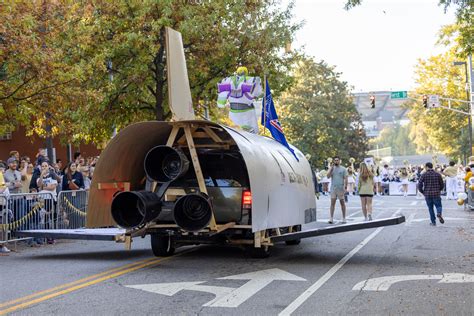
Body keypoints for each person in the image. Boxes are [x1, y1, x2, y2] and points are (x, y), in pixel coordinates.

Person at [327, 156, 348, 224]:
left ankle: (344, 218)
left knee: (342, 203)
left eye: (337, 160)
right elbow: (328, 176)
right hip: (333, 188)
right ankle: (331, 218)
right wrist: (331, 169)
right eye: (335, 160)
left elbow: (346, 178)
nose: (336, 161)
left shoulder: (343, 169)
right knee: (332, 203)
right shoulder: (332, 168)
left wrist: (345, 187)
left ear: (339, 161)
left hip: (340, 188)